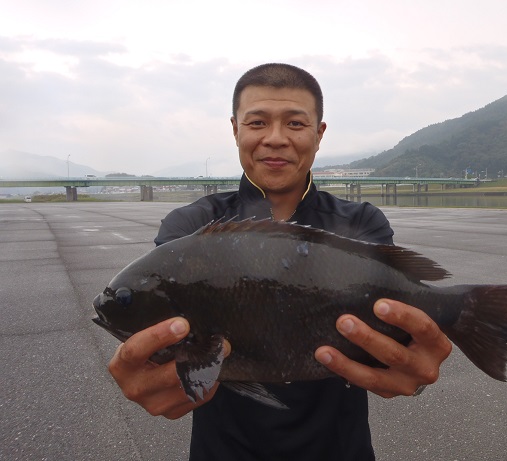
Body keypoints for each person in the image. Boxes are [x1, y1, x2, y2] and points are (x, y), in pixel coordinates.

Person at [108, 63, 452, 460]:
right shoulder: (190, 227)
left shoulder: (361, 223)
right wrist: (154, 377)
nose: (275, 139)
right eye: (257, 122)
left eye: (295, 123)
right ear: (235, 129)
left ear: (319, 134)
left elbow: (394, 329)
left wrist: (410, 371)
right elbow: (178, 349)